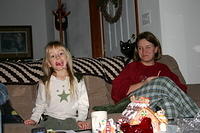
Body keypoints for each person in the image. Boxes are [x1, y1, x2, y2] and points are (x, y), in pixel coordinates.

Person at [94, 31, 199, 121]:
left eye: (148, 47)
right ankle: (197, 117)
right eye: (140, 48)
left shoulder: (164, 68)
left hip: (154, 107)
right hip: (134, 103)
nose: (144, 51)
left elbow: (180, 90)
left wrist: (161, 92)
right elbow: (117, 93)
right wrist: (145, 83)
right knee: (162, 82)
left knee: (168, 104)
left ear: (156, 49)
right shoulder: (132, 67)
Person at [24, 41, 90, 130]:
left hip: (71, 120)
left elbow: (83, 104)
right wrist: (34, 119)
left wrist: (81, 119)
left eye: (61, 53)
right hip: (50, 120)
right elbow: (40, 104)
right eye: (53, 56)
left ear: (67, 57)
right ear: (49, 63)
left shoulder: (78, 79)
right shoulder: (45, 82)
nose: (58, 57)